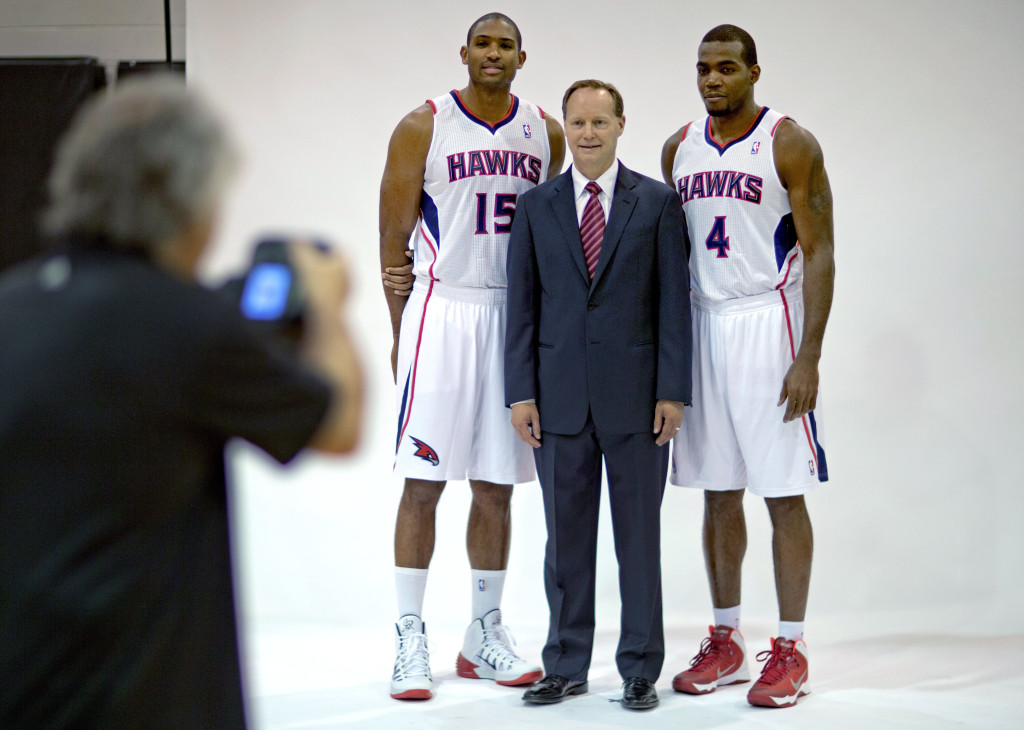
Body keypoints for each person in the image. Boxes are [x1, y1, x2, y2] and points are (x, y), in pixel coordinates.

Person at [0, 78, 363, 728]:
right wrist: (330, 306)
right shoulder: (188, 326)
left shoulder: (12, 308)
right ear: (187, 201)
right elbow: (339, 425)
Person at [378, 12, 565, 700]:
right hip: (442, 307)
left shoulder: (544, 130)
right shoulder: (422, 125)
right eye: (482, 43)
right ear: (464, 52)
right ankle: (408, 634)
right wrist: (402, 330)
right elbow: (393, 241)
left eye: (504, 45)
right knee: (422, 481)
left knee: (495, 484)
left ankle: (483, 632)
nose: (493, 54)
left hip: (510, 315)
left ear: (522, 55)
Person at [661, 24, 835, 708]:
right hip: (704, 324)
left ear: (754, 72)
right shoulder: (678, 146)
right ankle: (727, 639)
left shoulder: (789, 142)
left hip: (769, 321)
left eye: (726, 68)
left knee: (782, 490)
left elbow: (820, 252)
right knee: (718, 489)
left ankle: (790, 650)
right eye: (703, 67)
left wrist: (810, 354)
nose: (712, 79)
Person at [505, 79, 691, 710]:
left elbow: (674, 306)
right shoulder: (536, 207)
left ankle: (640, 667)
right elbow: (522, 309)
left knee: (638, 539)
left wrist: (673, 390)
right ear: (565, 126)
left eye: (600, 122)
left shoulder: (658, 204)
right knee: (566, 541)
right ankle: (565, 663)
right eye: (578, 123)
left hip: (639, 403)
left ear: (620, 125)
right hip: (557, 401)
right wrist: (519, 393)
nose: (588, 133)